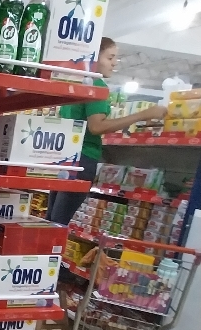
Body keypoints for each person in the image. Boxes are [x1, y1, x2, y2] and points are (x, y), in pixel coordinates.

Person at [47, 37, 167, 226]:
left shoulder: (76, 83)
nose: (114, 63)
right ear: (94, 57)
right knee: (58, 225)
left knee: (51, 222)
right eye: (110, 58)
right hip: (83, 159)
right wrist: (143, 115)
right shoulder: (97, 86)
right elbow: (96, 127)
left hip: (65, 157)